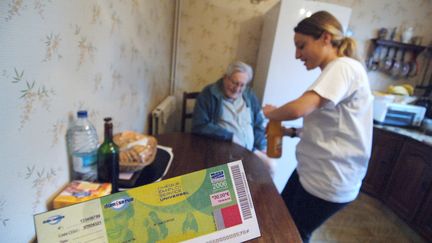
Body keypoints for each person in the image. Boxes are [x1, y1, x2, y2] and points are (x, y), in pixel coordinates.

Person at [263, 11, 373, 242]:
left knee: (291, 233)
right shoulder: (336, 71)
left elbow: (299, 108)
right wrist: (290, 132)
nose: (297, 54)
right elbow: (332, 126)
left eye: (301, 46)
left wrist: (272, 114)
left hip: (328, 180)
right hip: (312, 171)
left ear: (325, 38)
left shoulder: (343, 67)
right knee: (282, 218)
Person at [191, 61, 273, 174]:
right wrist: (230, 136)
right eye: (235, 83)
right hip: (224, 152)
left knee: (271, 166)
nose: (237, 89)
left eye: (242, 85)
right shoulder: (209, 94)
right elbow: (199, 125)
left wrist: (262, 146)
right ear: (225, 78)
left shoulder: (249, 95)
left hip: (250, 150)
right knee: (235, 180)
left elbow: (258, 123)